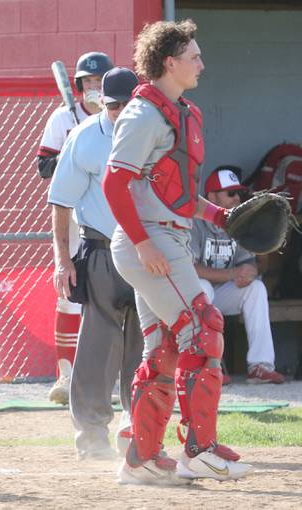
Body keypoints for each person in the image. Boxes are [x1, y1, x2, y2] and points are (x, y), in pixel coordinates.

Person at [102, 19, 254, 483]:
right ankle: (199, 450)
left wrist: (222, 218)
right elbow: (114, 183)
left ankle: (143, 458)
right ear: (169, 62)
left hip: (168, 237)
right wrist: (145, 243)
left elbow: (179, 196)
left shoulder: (182, 111)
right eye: (193, 56)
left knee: (166, 344)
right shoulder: (143, 113)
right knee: (203, 326)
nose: (201, 64)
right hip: (146, 241)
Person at [48, 67, 143, 460]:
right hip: (101, 248)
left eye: (127, 103)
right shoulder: (83, 137)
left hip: (146, 250)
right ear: (102, 103)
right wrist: (62, 261)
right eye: (113, 104)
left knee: (146, 345)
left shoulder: (153, 133)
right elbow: (61, 201)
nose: (120, 111)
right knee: (96, 345)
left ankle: (139, 428)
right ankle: (90, 434)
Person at [36, 51, 114, 404]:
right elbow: (42, 167)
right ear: (79, 86)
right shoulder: (63, 118)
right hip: (72, 215)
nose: (93, 88)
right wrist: (71, 150)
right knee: (69, 293)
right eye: (88, 82)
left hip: (110, 217)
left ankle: (107, 378)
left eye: (99, 82)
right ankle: (66, 375)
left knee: (111, 297)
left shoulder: (122, 119)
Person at [191, 167, 284, 384]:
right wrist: (233, 273)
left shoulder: (237, 222)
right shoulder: (195, 221)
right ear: (211, 196)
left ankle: (261, 366)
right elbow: (190, 269)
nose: (236, 199)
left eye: (238, 193)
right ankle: (207, 366)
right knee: (202, 286)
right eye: (230, 193)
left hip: (221, 294)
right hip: (194, 297)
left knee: (256, 289)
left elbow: (248, 263)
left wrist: (250, 272)